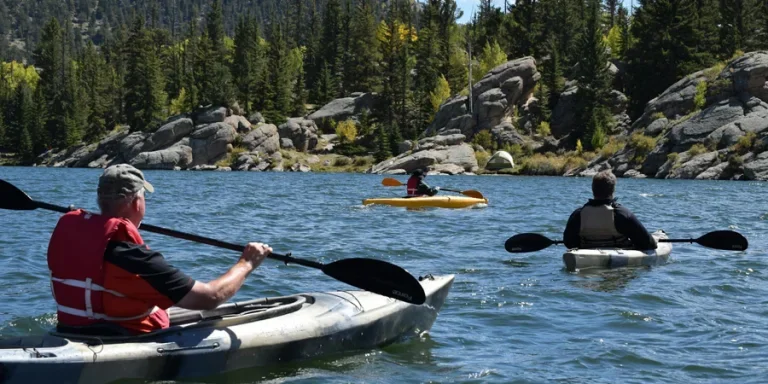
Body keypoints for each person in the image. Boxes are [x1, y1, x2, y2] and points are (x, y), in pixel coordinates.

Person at [47, 164, 272, 335]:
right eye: (144, 198)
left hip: (72, 329)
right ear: (136, 203)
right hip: (123, 337)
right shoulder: (133, 257)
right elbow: (209, 298)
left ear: (99, 199)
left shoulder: (72, 241)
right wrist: (247, 263)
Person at [563, 170, 657, 250]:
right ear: (613, 190)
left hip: (588, 256)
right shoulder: (622, 214)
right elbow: (648, 243)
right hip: (619, 261)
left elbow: (568, 242)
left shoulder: (578, 214)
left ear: (593, 189)